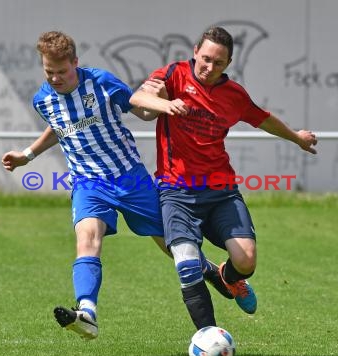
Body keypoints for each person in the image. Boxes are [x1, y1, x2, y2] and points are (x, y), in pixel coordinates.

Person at [0, 31, 248, 340]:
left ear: (75, 63)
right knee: (88, 238)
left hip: (130, 177)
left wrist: (162, 104)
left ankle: (213, 272)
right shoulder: (42, 99)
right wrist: (27, 155)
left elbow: (135, 103)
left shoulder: (101, 82)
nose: (56, 78)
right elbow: (61, 127)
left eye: (62, 72)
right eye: (49, 72)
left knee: (174, 247)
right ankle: (86, 312)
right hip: (88, 182)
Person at [130, 26, 318, 330]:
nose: (209, 67)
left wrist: (296, 137)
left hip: (221, 191)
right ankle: (208, 335)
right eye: (205, 59)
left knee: (246, 261)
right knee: (186, 265)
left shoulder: (234, 95)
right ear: (195, 51)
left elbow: (263, 119)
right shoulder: (174, 74)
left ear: (228, 64)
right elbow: (140, 98)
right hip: (176, 190)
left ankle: (227, 278)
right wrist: (165, 103)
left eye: (218, 63)